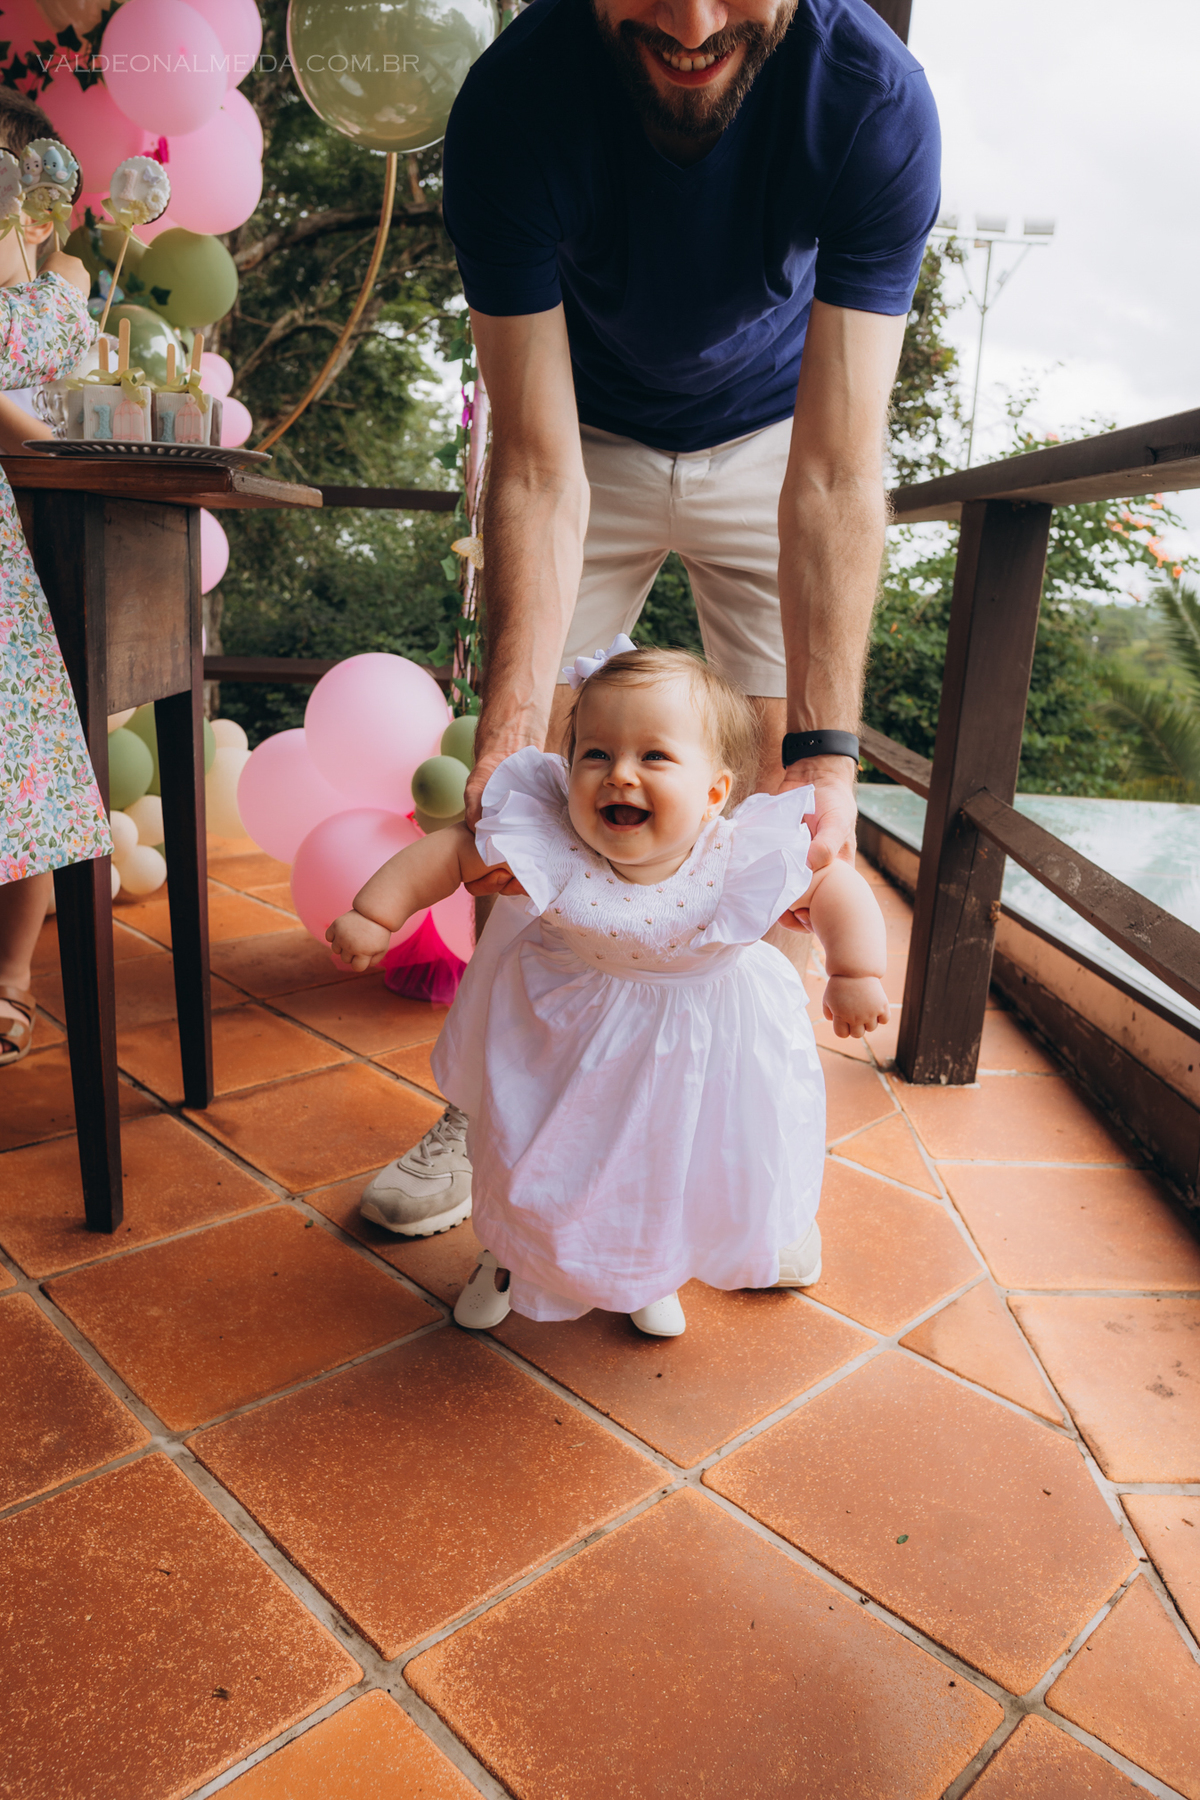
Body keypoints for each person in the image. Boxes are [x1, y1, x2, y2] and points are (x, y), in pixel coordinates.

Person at [359, 0, 939, 1232]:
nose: (691, 22)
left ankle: (753, 1152)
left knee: (789, 802)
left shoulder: (871, 102)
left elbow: (840, 470)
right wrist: (508, 730)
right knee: (529, 785)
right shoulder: (514, 103)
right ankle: (491, 1115)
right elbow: (531, 463)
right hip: (584, 437)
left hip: (779, 442)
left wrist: (830, 759)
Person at [333, 647, 888, 1334]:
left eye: (654, 756)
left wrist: (855, 970)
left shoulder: (736, 854)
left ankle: (646, 1273)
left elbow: (832, 885)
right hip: (562, 1034)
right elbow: (452, 853)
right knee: (529, 1155)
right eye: (595, 754)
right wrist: (377, 911)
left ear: (714, 793)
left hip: (688, 1055)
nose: (619, 773)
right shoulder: (555, 843)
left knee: (660, 1170)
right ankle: (507, 1256)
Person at [0, 89, 106, 1065]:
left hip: (33, 563)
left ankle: (13, 973)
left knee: (29, 770)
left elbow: (64, 419)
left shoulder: (47, 303)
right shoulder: (33, 305)